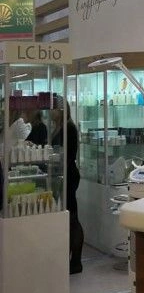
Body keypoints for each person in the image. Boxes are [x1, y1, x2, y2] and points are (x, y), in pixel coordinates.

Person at [51, 99, 84, 274]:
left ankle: (76, 261)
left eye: (55, 108)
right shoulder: (58, 127)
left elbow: (68, 156)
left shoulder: (69, 128)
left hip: (69, 176)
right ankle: (68, 257)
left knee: (72, 218)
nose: (51, 111)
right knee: (68, 217)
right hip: (61, 175)